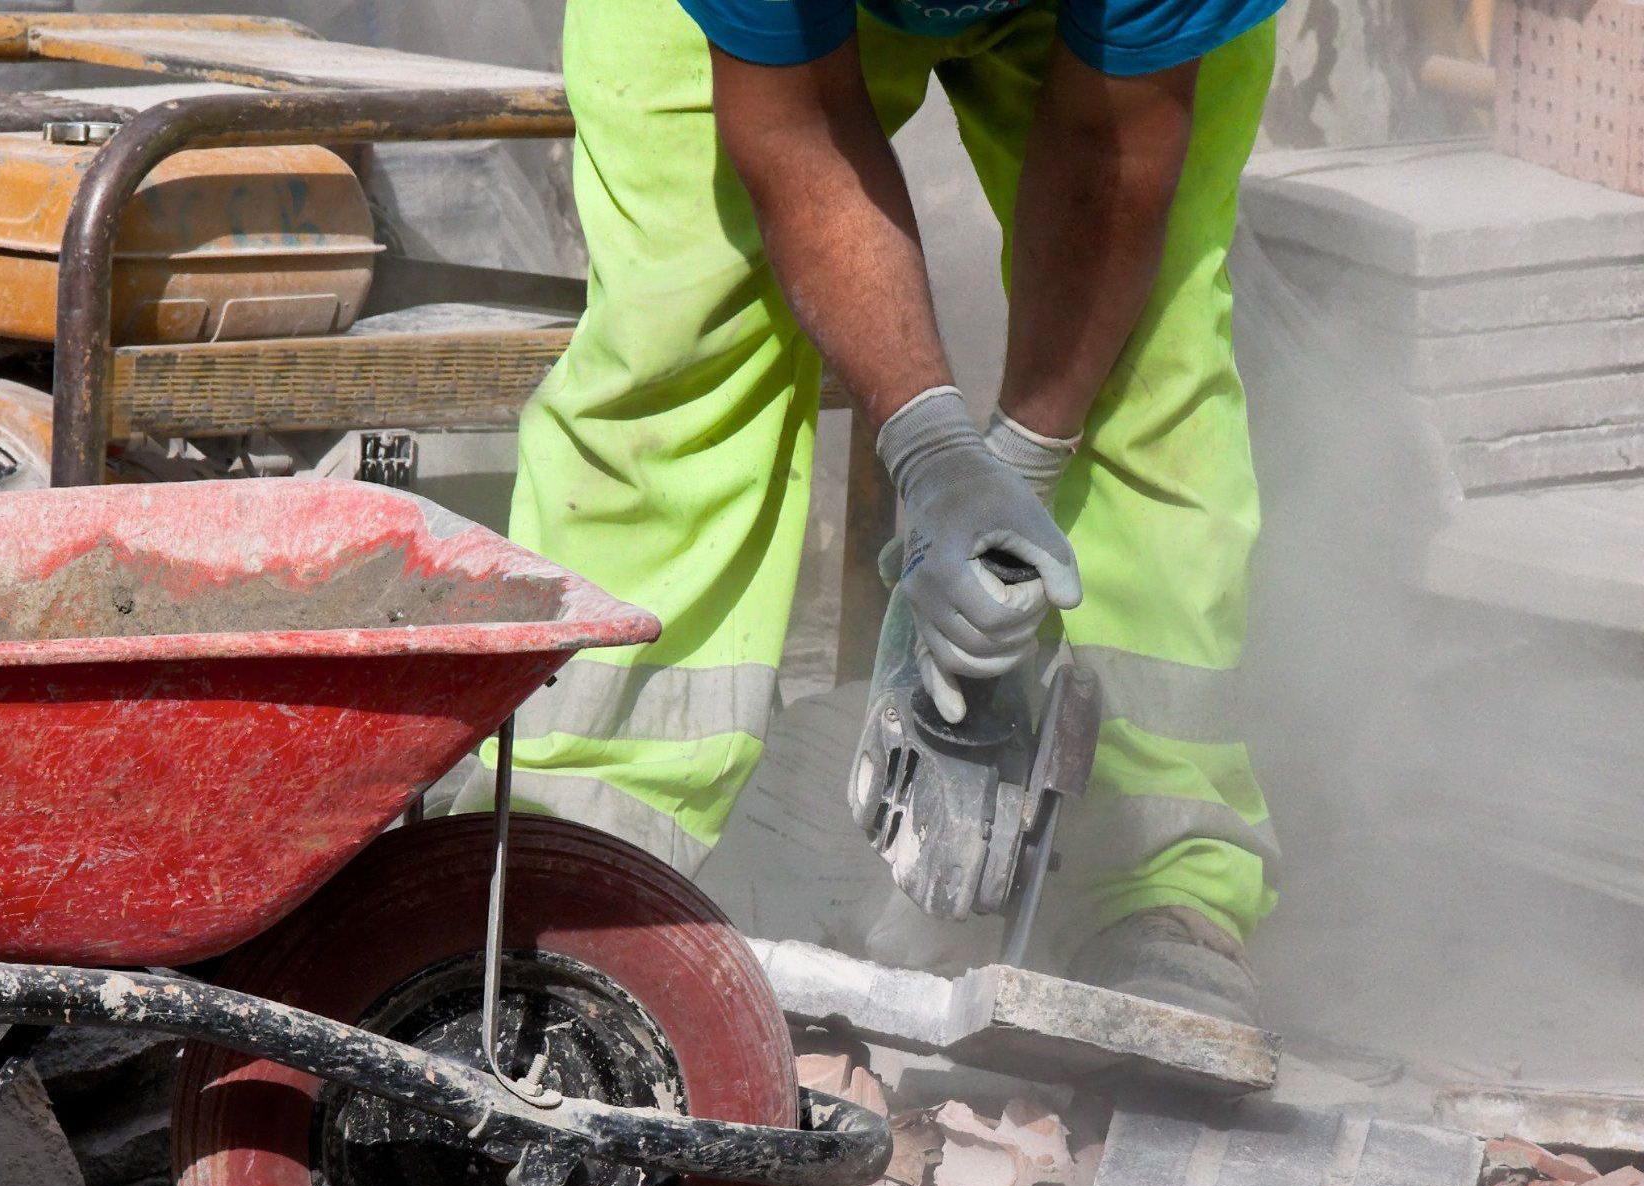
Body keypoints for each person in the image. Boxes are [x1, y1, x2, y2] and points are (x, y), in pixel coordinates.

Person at [460, 0, 1284, 1023]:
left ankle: (1150, 881)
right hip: (739, 34)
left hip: (1115, 37)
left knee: (1149, 370)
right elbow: (793, 125)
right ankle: (578, 864)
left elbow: (1111, 141)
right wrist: (931, 452)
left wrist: (1020, 465)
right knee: (678, 354)